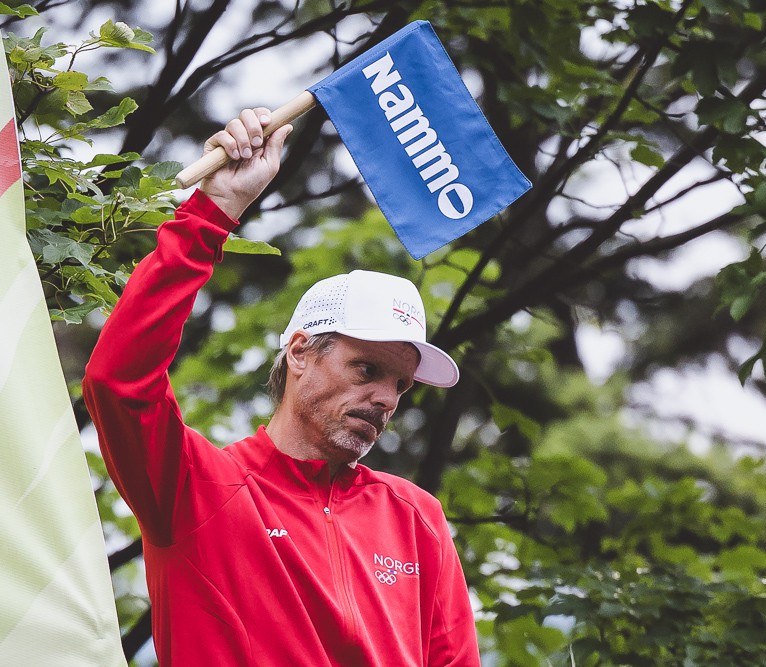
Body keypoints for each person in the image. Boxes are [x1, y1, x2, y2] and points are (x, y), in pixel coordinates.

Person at [83, 109, 480, 666]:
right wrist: (213, 212)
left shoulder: (417, 517)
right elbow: (119, 380)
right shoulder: (195, 488)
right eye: (367, 370)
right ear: (299, 352)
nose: (387, 399)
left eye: (401, 384)